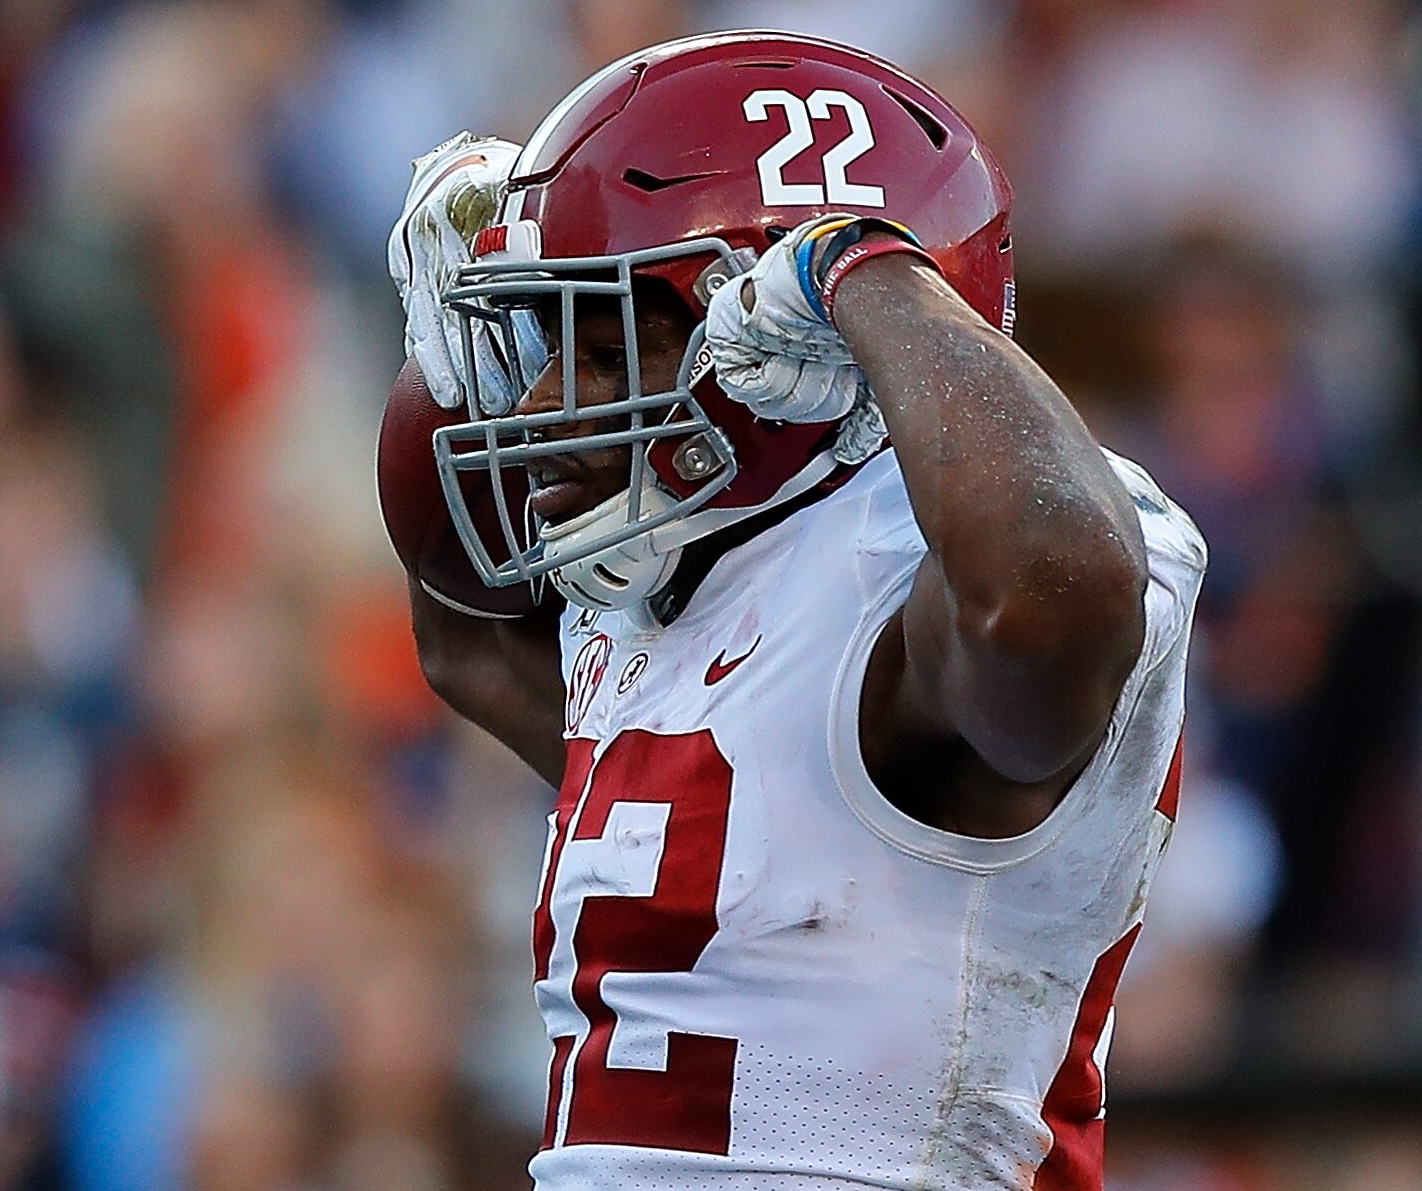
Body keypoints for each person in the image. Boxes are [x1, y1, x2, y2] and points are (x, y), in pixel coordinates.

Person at [389, 32, 1205, 1191]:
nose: (542, 404)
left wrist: (862, 269)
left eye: (606, 349)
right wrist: (438, 363)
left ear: (801, 348)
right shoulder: (678, 591)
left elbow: (1041, 604)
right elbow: (459, 630)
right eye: (541, 349)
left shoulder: (932, 564)